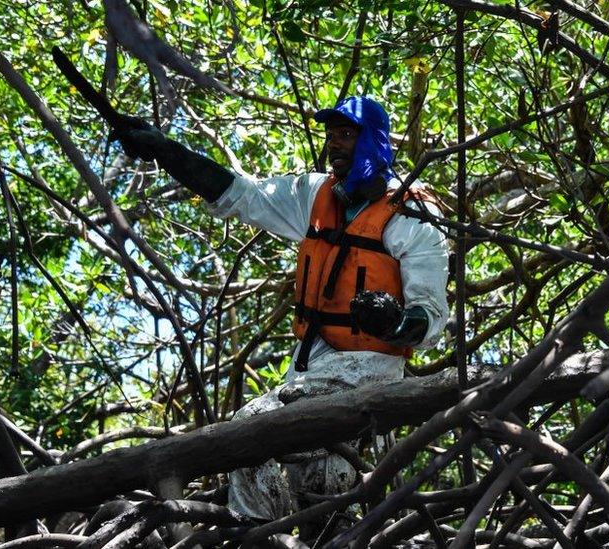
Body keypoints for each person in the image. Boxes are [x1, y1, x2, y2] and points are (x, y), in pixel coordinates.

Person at [115, 96, 449, 520]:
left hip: (366, 379)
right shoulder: (315, 194)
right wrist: (166, 150)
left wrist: (395, 321)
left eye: (346, 134)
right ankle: (279, 533)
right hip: (307, 372)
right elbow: (242, 194)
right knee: (314, 494)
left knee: (248, 435)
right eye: (331, 135)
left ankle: (269, 535)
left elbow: (432, 319)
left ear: (374, 141)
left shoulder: (414, 215)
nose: (334, 144)